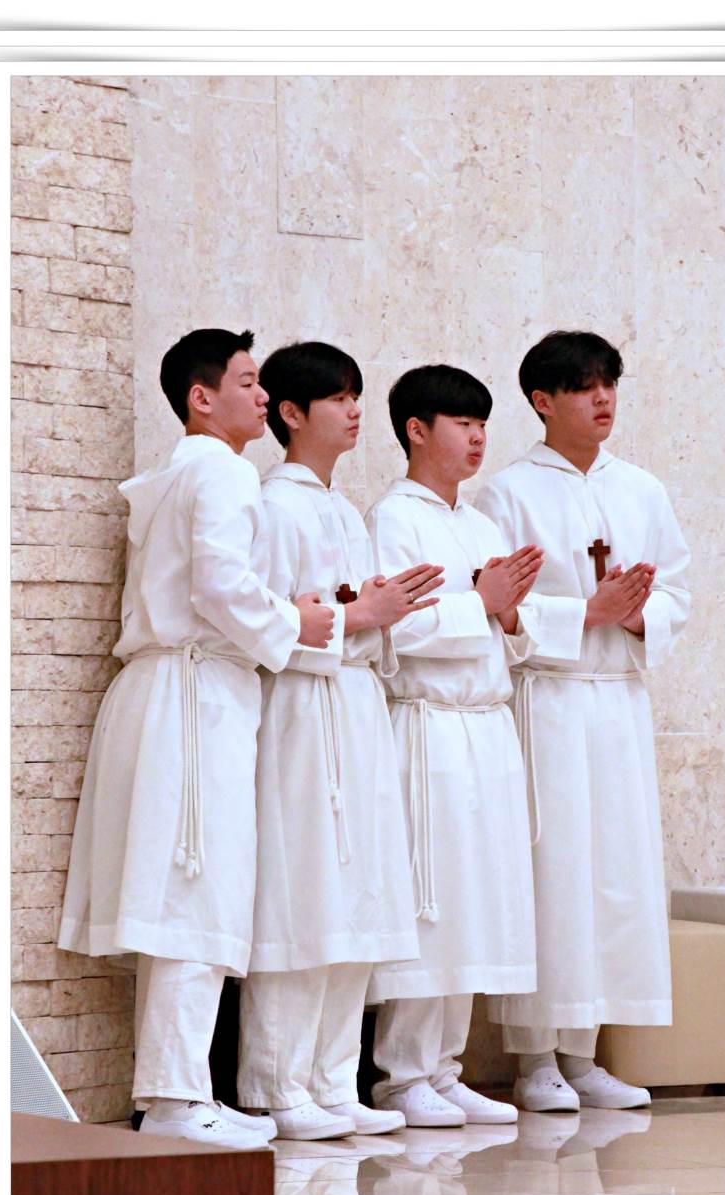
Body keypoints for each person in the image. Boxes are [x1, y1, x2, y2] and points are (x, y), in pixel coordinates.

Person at [56, 328, 335, 1149]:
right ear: (200, 397)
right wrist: (296, 620)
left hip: (172, 691)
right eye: (246, 382)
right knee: (195, 890)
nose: (262, 395)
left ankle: (179, 1089)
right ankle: (176, 1099)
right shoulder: (222, 471)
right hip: (194, 696)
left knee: (186, 890)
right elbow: (221, 586)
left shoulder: (182, 473)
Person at [475, 329, 691, 1112]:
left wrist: (633, 616)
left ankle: (584, 1053)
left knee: (612, 874)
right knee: (554, 872)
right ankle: (534, 1058)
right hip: (550, 701)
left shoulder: (641, 489)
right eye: (583, 387)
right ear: (542, 401)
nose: (602, 399)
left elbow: (677, 592)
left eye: (609, 384)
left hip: (617, 703)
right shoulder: (507, 493)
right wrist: (585, 613)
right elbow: (496, 610)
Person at [237, 341, 444, 1141]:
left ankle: (332, 1079)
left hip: (355, 709)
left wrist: (380, 614)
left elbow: (359, 619)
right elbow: (262, 625)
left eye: (357, 396)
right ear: (291, 413)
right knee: (303, 893)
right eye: (338, 398)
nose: (355, 412)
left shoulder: (345, 511)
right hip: (300, 712)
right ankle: (276, 1085)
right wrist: (356, 616)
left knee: (358, 892)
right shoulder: (272, 506)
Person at [365, 364, 543, 1129]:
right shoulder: (391, 519)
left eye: (481, 425)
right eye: (461, 424)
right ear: (416, 430)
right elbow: (396, 630)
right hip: (429, 724)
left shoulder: (479, 524)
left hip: (484, 724)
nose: (476, 438)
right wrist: (481, 603)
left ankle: (444, 1067)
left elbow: (508, 639)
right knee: (430, 895)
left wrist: (509, 617)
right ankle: (401, 1074)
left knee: (475, 893)